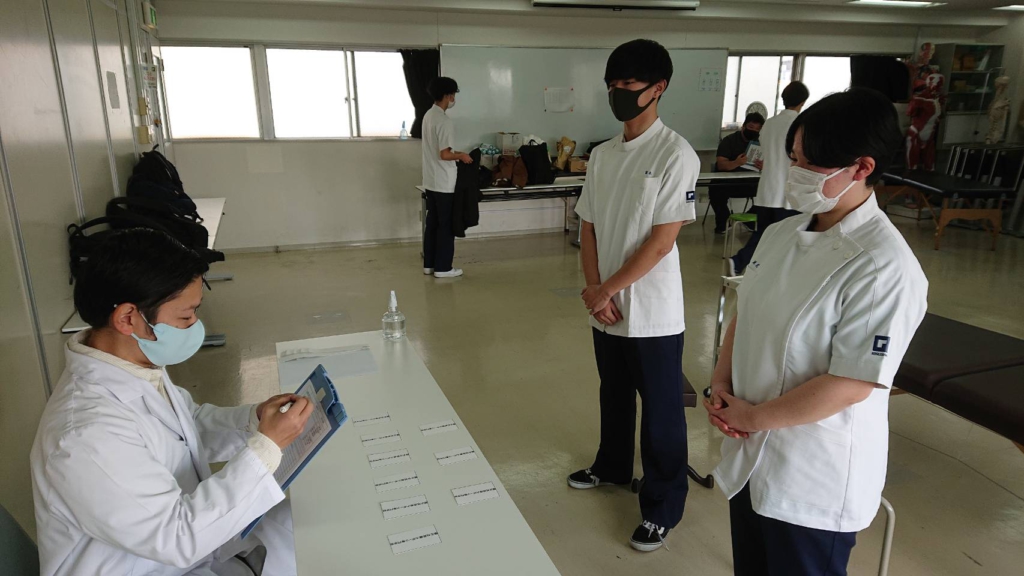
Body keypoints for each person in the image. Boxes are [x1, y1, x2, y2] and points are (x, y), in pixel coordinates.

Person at [703, 88, 928, 575]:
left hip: (812, 478)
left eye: (809, 163)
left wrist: (753, 417)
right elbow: (747, 312)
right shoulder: (781, 233)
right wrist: (721, 384)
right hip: (750, 449)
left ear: (861, 167)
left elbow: (852, 382)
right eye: (793, 158)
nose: (795, 171)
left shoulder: (883, 266)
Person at [31, 228, 314, 576]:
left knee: (314, 525)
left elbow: (185, 428)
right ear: (128, 318)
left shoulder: (133, 364)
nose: (195, 325)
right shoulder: (84, 435)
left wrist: (255, 422)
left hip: (190, 550)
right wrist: (265, 449)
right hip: (159, 560)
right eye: (185, 316)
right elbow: (176, 537)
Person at [569, 39, 699, 553]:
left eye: (628, 84)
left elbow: (662, 241)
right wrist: (596, 291)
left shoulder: (675, 154)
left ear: (658, 88)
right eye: (612, 85)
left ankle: (662, 507)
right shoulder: (603, 155)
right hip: (606, 305)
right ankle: (612, 466)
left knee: (662, 412)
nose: (618, 93)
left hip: (652, 312)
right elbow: (588, 226)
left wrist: (607, 288)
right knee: (614, 392)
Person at [728, 82, 809, 275]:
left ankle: (743, 264)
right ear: (803, 102)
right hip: (787, 193)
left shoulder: (769, 124)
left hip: (767, 190)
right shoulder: (801, 124)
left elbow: (767, 153)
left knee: (764, 233)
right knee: (789, 236)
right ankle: (753, 266)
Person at [422, 76, 473, 279]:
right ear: (447, 95)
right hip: (444, 183)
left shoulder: (428, 115)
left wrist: (458, 153)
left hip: (431, 180)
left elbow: (439, 150)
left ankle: (429, 265)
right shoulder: (444, 121)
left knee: (432, 224)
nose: (453, 98)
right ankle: (443, 268)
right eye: (453, 94)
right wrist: (461, 156)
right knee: (446, 226)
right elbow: (444, 154)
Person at [710, 112, 763, 234]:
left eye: (757, 129)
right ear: (743, 126)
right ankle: (724, 222)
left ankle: (749, 221)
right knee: (715, 189)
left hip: (751, 182)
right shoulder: (729, 141)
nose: (754, 131)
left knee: (770, 190)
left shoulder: (761, 142)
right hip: (729, 182)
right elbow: (721, 165)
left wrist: (763, 166)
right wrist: (736, 162)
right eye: (751, 127)